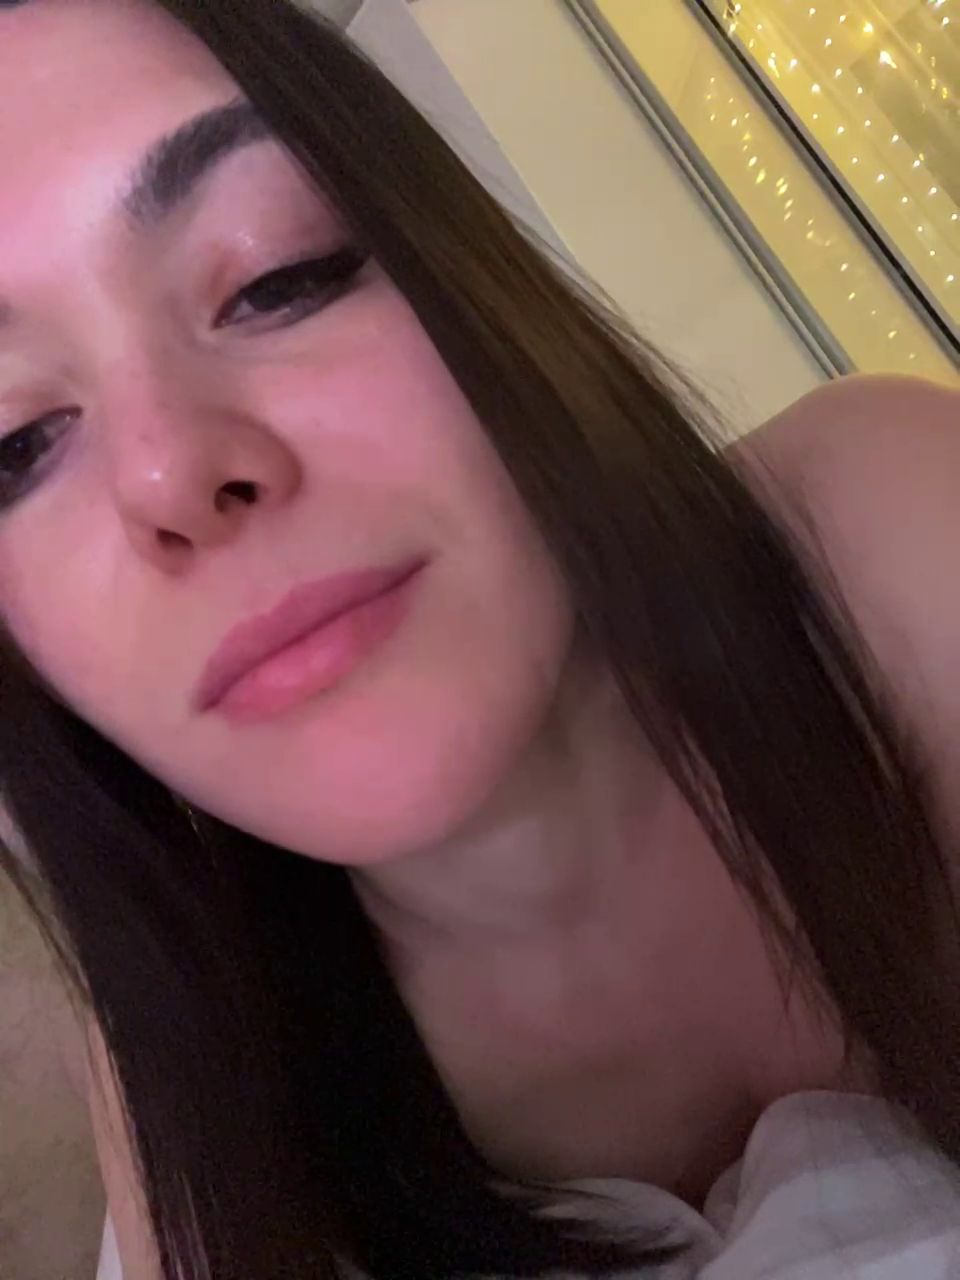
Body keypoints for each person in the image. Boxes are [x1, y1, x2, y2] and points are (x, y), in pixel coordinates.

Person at [0, 1, 959, 1278]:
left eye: (277, 275)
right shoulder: (193, 1081)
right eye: (13, 445)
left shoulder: (895, 533)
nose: (173, 470)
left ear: (456, 257)